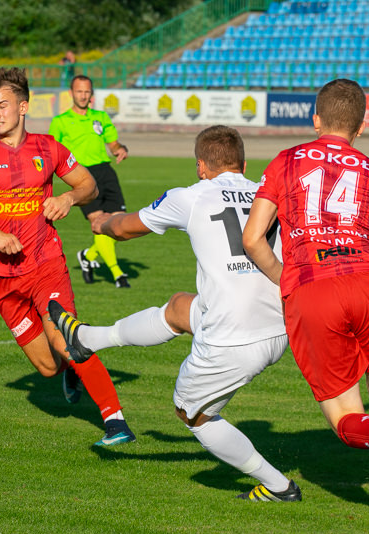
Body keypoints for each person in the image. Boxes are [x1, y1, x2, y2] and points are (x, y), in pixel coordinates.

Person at [48, 125, 301, 502]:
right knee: (181, 307)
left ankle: (280, 486)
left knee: (191, 414)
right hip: (279, 323)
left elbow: (127, 228)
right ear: (243, 164)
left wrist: (103, 224)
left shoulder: (192, 196)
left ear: (201, 167)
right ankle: (86, 340)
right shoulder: (268, 193)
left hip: (234, 336)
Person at [242, 79, 369, 528]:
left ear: (315, 120)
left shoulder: (287, 160)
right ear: (361, 125)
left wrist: (288, 281)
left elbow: (252, 239)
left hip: (313, 288)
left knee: (345, 417)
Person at [0, 67, 135, 447]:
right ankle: (69, 370)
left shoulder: (48, 147)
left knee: (66, 337)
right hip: (2, 278)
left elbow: (88, 184)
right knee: (47, 366)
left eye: (2, 105)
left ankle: (116, 421)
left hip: (47, 263)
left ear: (23, 106)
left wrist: (66, 198)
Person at [49, 74, 133, 288]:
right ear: (71, 93)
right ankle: (118, 274)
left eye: (87, 92)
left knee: (116, 225)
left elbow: (112, 143)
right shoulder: (60, 122)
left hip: (106, 173)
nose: (83, 95)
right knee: (99, 224)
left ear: (91, 94)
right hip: (82, 178)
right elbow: (51, 152)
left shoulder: (101, 117)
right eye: (79, 91)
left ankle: (88, 257)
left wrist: (120, 149)